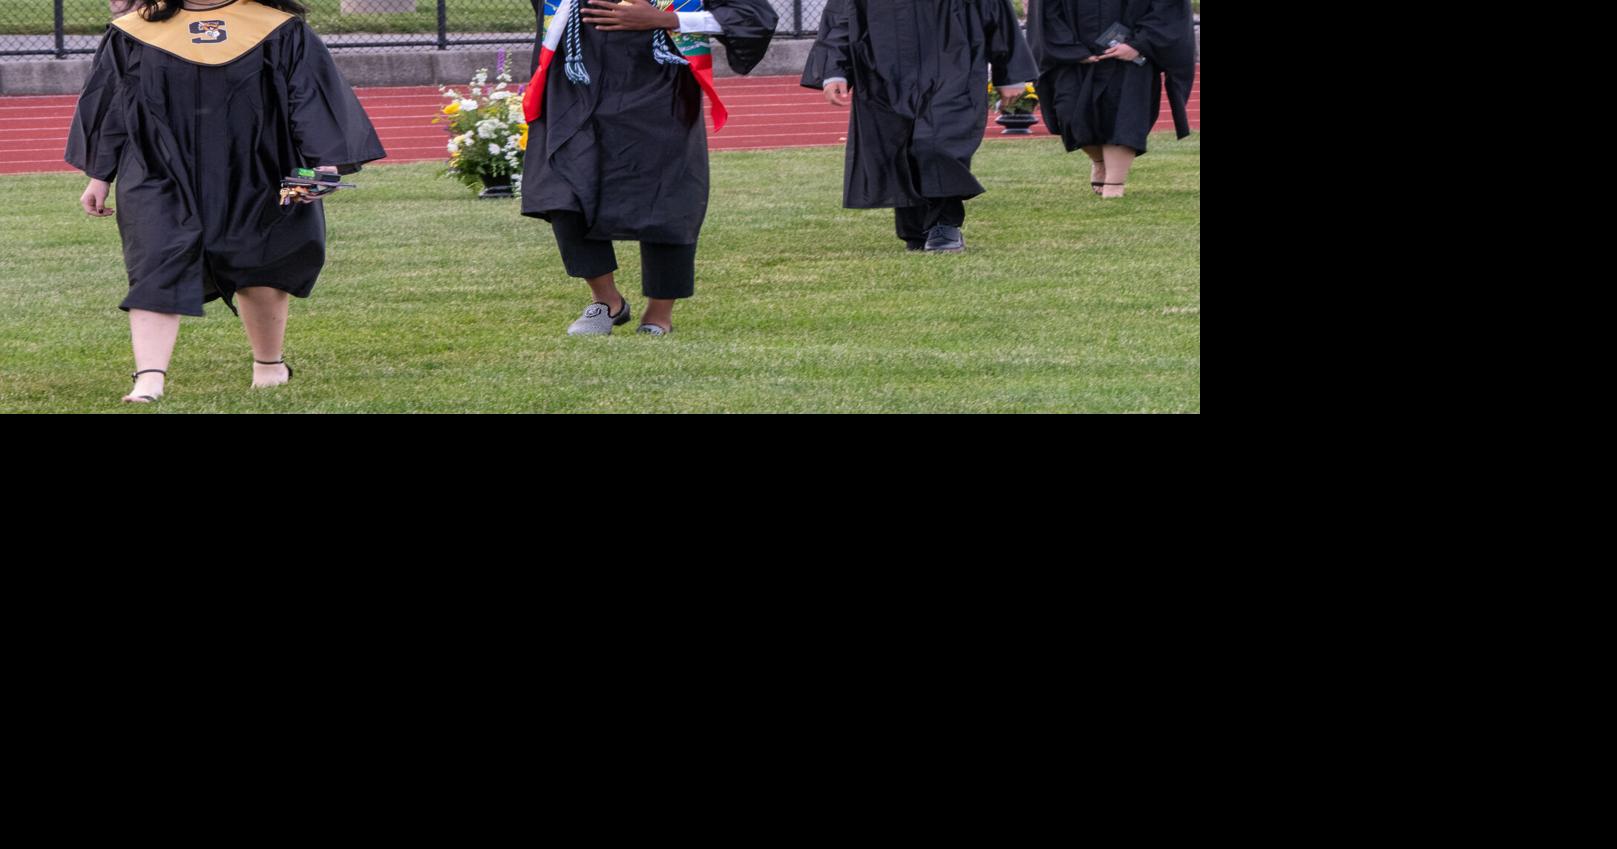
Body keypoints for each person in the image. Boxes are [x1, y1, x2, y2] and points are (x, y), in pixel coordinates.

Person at [66, 0, 385, 403]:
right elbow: (112, 103)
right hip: (157, 168)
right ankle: (149, 379)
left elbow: (308, 94)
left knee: (262, 262)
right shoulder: (135, 31)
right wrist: (100, 175)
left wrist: (325, 162)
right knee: (156, 259)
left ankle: (268, 366)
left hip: (258, 165)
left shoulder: (278, 28)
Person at [521, 0, 776, 336]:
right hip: (576, 79)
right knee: (561, 190)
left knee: (666, 197)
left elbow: (754, 17)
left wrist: (665, 19)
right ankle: (607, 301)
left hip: (659, 83)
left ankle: (659, 314)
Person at [801, 0, 1037, 253]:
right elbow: (844, 14)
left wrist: (1010, 72)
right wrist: (834, 69)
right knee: (898, 145)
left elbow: (995, 11)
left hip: (954, 63)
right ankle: (915, 230)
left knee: (939, 143)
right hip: (885, 69)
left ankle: (944, 224)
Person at [1026, 0, 1195, 198]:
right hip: (1075, 58)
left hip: (1129, 57)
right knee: (1069, 114)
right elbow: (1046, 11)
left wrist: (1138, 44)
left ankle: (1114, 184)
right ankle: (1099, 161)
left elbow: (1168, 8)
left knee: (1124, 117)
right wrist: (1070, 49)